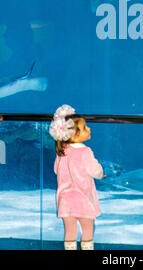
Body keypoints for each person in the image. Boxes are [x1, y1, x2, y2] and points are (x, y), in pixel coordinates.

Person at [49, 104, 104, 251]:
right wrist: (101, 173)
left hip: (65, 200)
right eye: (85, 127)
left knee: (70, 232)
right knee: (87, 230)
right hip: (83, 199)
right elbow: (94, 171)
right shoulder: (85, 151)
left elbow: (56, 170)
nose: (89, 129)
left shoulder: (62, 151)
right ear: (75, 134)